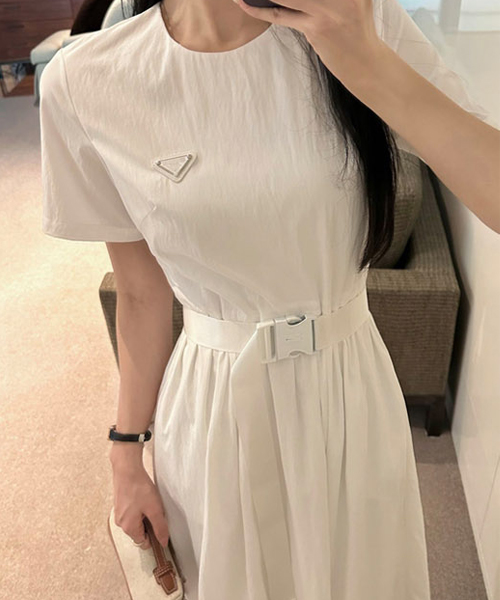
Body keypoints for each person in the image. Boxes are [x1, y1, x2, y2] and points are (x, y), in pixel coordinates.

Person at [39, 0, 498, 598]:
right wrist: (125, 454)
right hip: (212, 412)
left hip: (351, 393)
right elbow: (141, 293)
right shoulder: (87, 79)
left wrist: (367, 62)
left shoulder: (355, 17)